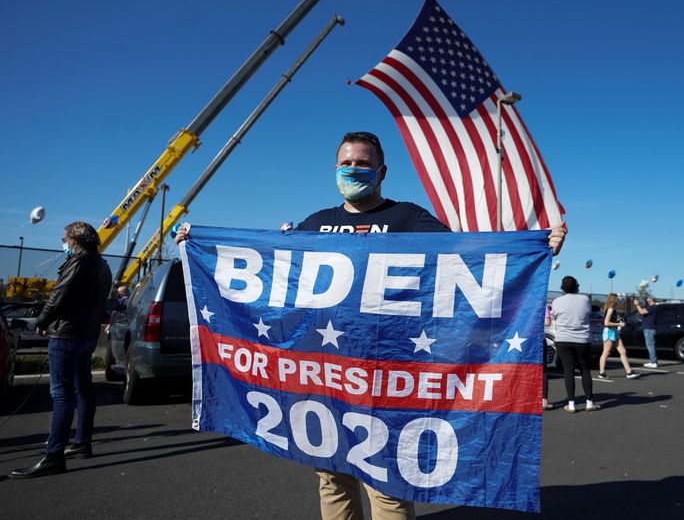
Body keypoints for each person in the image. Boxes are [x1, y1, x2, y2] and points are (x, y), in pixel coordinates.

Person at [176, 131, 568, 520]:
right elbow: (281, 284)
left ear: (382, 171)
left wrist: (534, 247)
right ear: (335, 168)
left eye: (362, 163)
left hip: (385, 378)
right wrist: (199, 243)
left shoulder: (408, 218)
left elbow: (468, 258)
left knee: (387, 483)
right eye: (345, 163)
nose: (353, 170)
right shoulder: (316, 224)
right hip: (326, 374)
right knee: (331, 477)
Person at [10, 222, 112, 479]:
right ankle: (82, 441)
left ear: (74, 240)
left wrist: (42, 322)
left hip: (66, 334)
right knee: (84, 388)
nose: (63, 243)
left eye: (64, 239)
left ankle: (53, 455)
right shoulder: (103, 265)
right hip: (87, 334)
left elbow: (59, 296)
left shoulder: (78, 262)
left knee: (62, 394)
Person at [550, 276, 600, 413]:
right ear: (577, 286)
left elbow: (555, 317)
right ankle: (589, 402)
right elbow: (588, 314)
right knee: (585, 369)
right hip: (582, 339)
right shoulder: (585, 299)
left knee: (568, 371)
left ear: (562, 288)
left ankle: (571, 404)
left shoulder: (556, 301)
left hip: (563, 339)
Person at [597, 293, 640, 379]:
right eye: (618, 299)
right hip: (609, 332)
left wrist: (619, 321)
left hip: (614, 331)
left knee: (623, 351)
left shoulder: (613, 309)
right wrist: (619, 323)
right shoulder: (610, 309)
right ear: (614, 300)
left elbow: (613, 320)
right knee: (606, 352)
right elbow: (606, 323)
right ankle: (602, 373)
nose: (620, 301)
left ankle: (629, 372)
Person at [634, 296, 659, 368]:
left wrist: (637, 305)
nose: (647, 300)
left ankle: (653, 362)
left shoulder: (652, 307)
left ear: (652, 299)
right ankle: (652, 361)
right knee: (650, 345)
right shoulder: (651, 307)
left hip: (649, 329)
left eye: (648, 298)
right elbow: (642, 311)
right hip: (648, 328)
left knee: (650, 345)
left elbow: (641, 312)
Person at [542, 305, 553, 410]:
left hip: (523, 339)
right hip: (539, 339)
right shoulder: (543, 305)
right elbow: (548, 323)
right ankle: (543, 400)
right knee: (543, 370)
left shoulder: (523, 301)